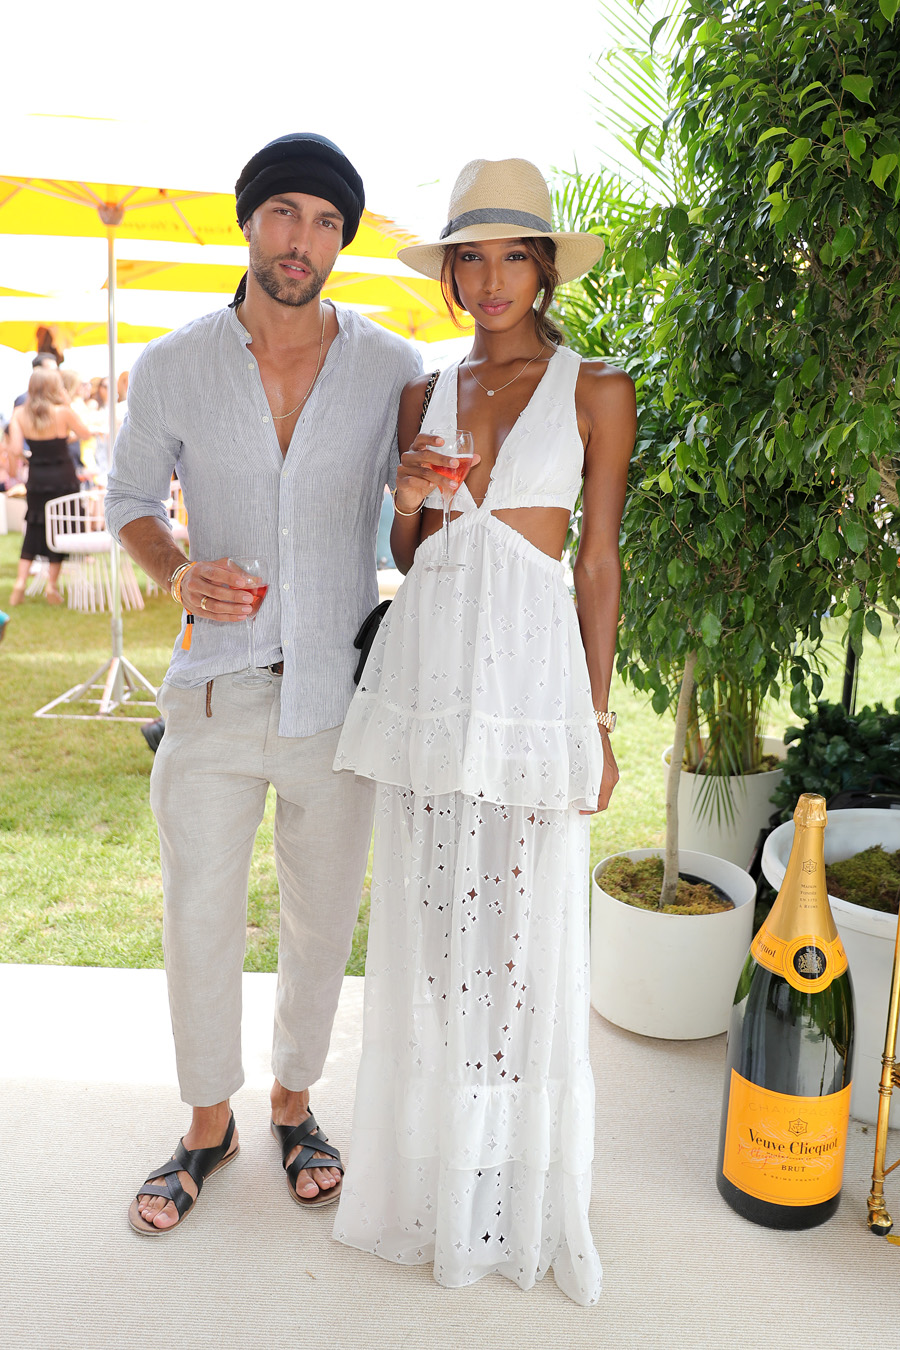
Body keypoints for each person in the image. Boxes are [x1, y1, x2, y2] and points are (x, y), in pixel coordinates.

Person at [104, 132, 421, 1234]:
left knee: (324, 917)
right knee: (198, 914)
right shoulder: (175, 363)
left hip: (338, 696)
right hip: (211, 695)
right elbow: (131, 499)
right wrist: (177, 570)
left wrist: (422, 495)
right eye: (287, 213)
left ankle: (293, 1103)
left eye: (329, 222)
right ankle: (207, 1124)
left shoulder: (391, 368)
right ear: (250, 222)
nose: (305, 241)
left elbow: (412, 519)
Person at [332, 158, 636, 1305]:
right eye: (473, 256)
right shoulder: (424, 395)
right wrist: (409, 495)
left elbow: (597, 561)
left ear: (545, 267)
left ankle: (505, 1191)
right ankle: (429, 1177)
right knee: (431, 923)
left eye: (515, 254)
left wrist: (597, 720)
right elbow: (413, 556)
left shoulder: (598, 386)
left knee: (518, 931)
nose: (492, 276)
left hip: (529, 679)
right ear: (451, 272)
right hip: (429, 674)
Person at [6, 365, 91, 606]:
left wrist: (29, 456)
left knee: (35, 526)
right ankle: (51, 586)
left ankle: (20, 583)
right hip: (63, 478)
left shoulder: (20, 414)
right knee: (61, 526)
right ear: (55, 388)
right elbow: (84, 433)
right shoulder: (63, 411)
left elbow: (13, 449)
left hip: (37, 477)